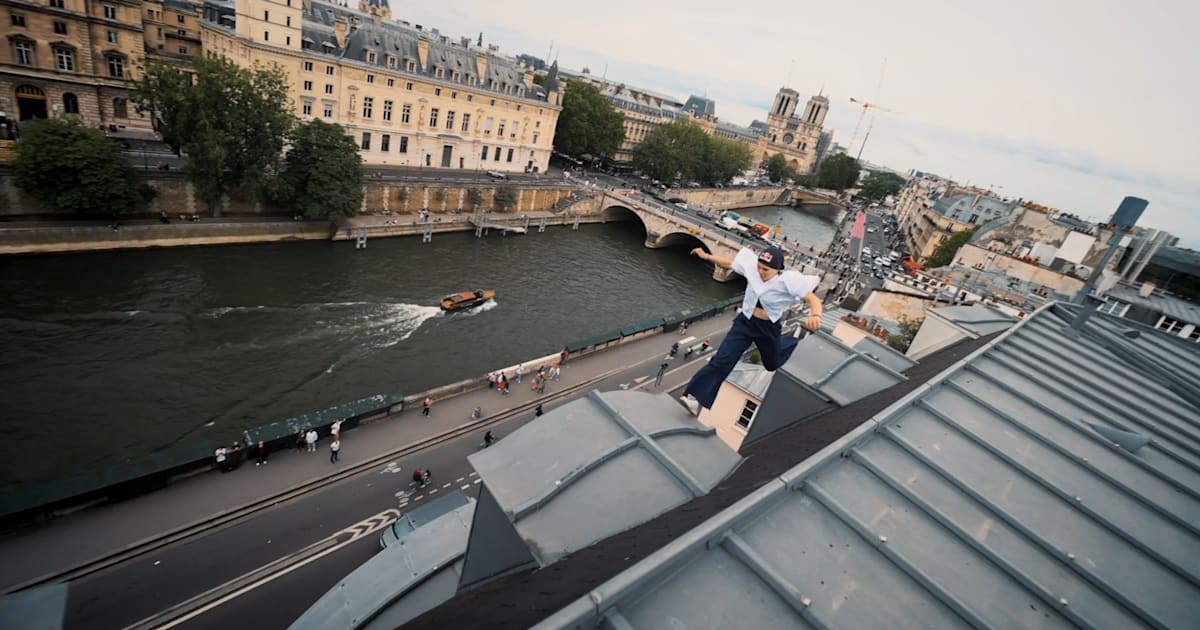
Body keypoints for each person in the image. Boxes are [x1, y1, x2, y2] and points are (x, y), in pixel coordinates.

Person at [680, 246, 821, 416]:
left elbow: (812, 298)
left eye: (766, 270)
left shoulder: (788, 281)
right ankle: (694, 397)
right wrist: (707, 256)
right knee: (722, 360)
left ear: (777, 270)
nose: (761, 272)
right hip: (745, 323)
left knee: (772, 364)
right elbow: (730, 263)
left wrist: (816, 315)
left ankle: (790, 342)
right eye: (759, 267)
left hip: (767, 328)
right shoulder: (751, 267)